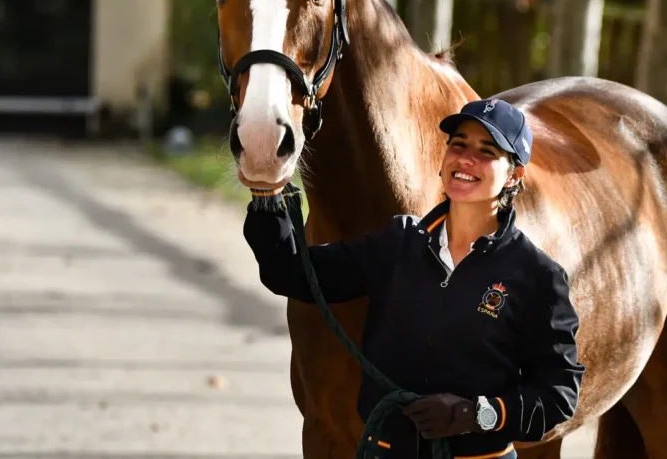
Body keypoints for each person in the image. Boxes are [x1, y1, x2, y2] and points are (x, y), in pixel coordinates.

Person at [242, 98, 585, 459]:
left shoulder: (538, 276)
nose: (466, 159)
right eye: (458, 145)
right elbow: (293, 274)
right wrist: (267, 194)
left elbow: (558, 395)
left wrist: (474, 414)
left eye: (487, 151)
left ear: (514, 175)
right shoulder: (398, 243)